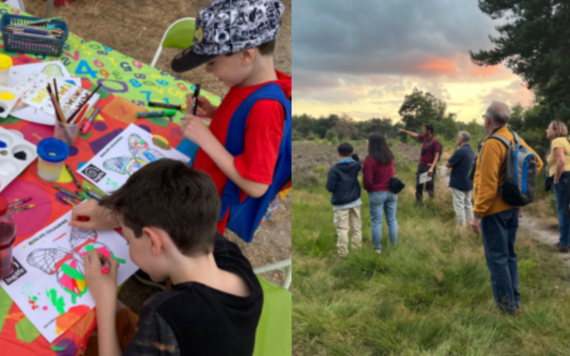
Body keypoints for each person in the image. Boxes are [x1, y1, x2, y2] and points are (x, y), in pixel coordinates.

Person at [71, 159, 263, 356]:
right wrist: (118, 216)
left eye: (127, 240)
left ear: (153, 242)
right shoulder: (233, 261)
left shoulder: (166, 315)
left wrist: (106, 299)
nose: (127, 243)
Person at [171, 0, 290, 235]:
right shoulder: (247, 82)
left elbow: (256, 185)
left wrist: (206, 140)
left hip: (208, 207)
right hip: (203, 182)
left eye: (212, 63)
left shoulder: (266, 108)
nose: (208, 71)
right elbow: (244, 125)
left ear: (246, 55)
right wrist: (216, 113)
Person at [471, 101, 543, 314]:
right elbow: (536, 163)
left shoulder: (493, 144)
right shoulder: (515, 138)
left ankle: (506, 308)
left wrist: (477, 213)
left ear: (487, 120)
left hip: (494, 212)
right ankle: (514, 302)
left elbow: (488, 183)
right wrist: (517, 194)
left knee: (498, 259)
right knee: (509, 255)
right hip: (512, 209)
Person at [363, 133, 398, 254]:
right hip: (392, 192)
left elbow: (367, 180)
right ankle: (394, 247)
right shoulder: (390, 156)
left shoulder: (370, 159)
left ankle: (377, 249)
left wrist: (369, 189)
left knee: (377, 222)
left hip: (377, 193)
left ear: (372, 143)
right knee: (392, 220)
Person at [326, 142, 362, 258]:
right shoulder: (356, 166)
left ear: (338, 154)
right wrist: (354, 154)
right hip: (355, 201)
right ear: (352, 153)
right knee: (356, 227)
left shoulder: (334, 169)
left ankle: (343, 253)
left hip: (340, 203)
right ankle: (357, 250)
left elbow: (330, 187)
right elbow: (358, 161)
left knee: (342, 229)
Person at [398, 124, 441, 206]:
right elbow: (413, 134)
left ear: (429, 131)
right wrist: (404, 131)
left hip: (428, 167)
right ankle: (419, 203)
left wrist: (432, 167)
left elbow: (437, 155)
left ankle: (431, 203)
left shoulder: (435, 141)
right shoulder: (424, 138)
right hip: (421, 165)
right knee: (419, 185)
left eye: (424, 130)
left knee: (429, 185)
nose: (423, 131)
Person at [545, 120, 570, 253]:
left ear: (556, 130)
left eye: (549, 128)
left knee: (563, 211)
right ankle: (565, 240)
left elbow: (561, 161)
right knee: (567, 211)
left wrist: (555, 179)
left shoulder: (557, 141)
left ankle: (564, 243)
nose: (546, 130)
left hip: (564, 178)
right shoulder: (567, 142)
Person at [445, 131, 475, 226]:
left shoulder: (460, 151)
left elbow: (447, 164)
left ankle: (461, 228)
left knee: (459, 206)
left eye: (457, 137)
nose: (456, 139)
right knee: (468, 205)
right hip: (469, 182)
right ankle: (470, 224)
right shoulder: (471, 151)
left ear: (461, 139)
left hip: (459, 182)